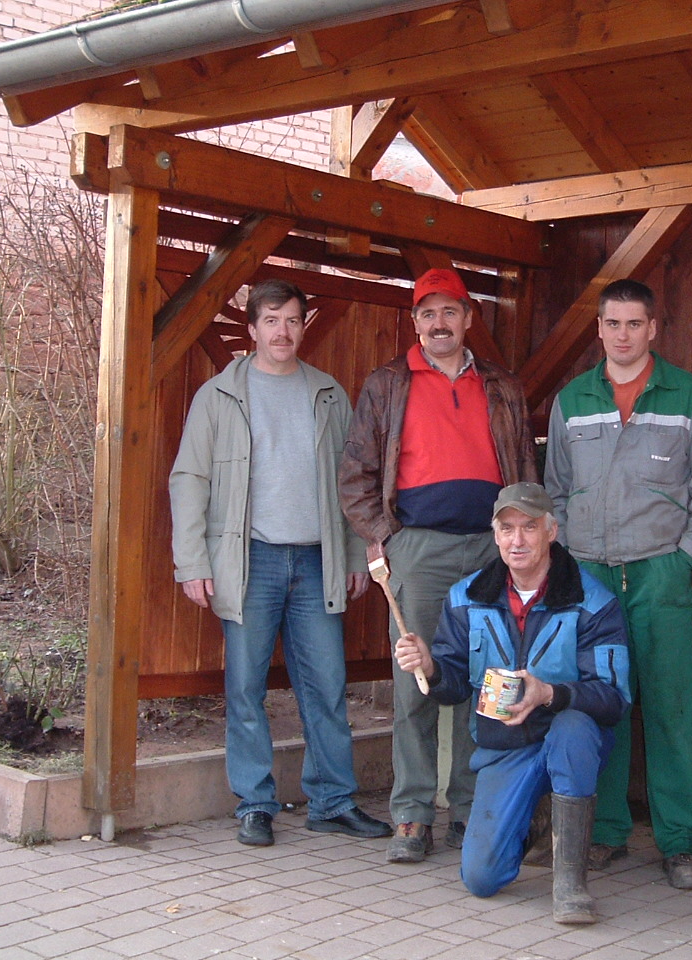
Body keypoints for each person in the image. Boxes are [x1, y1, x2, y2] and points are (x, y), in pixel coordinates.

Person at [169, 278, 392, 847]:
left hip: (318, 561)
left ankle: (333, 800)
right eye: (271, 320)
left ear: (303, 326)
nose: (283, 331)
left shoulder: (328, 393)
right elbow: (189, 479)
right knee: (245, 687)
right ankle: (254, 803)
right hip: (251, 560)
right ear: (252, 328)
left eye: (292, 320)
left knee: (327, 685)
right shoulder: (219, 395)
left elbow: (351, 482)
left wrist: (353, 553)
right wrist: (192, 561)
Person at [340, 266, 537, 863]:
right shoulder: (387, 384)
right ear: (415, 322)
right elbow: (355, 475)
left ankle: (473, 808)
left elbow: (525, 471)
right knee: (416, 681)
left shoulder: (501, 386)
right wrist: (386, 538)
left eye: (450, 311)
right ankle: (412, 813)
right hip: (419, 551)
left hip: (490, 549)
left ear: (468, 318)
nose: (439, 323)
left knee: (490, 679)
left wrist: (521, 543)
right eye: (428, 313)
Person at [544, 278, 692, 889]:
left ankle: (682, 843)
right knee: (603, 706)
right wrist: (568, 565)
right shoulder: (572, 399)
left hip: (659, 573)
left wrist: (683, 562)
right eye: (612, 324)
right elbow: (555, 492)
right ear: (598, 329)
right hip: (591, 577)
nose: (622, 335)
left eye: (633, 324)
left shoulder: (689, 396)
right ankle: (605, 832)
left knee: (670, 710)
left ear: (652, 329)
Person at [393, 482, 630, 924]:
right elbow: (453, 687)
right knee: (481, 878)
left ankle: (570, 884)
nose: (517, 540)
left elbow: (614, 698)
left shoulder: (593, 602)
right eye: (507, 529)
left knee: (574, 727)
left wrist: (551, 694)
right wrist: (430, 667)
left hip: (568, 741)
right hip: (505, 748)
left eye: (529, 527)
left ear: (551, 531)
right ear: (495, 534)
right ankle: (533, 820)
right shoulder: (466, 598)